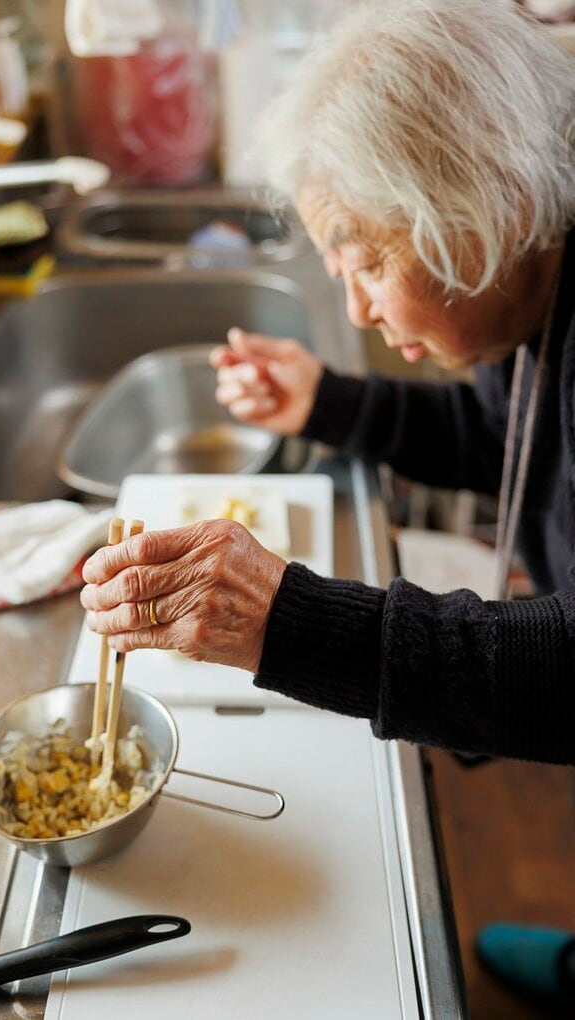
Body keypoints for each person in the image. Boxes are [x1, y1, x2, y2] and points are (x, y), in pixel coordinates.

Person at [81, 0, 575, 1005]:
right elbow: (500, 440)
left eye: (368, 261)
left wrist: (291, 622)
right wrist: (327, 400)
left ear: (498, 212)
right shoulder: (525, 279)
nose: (353, 307)